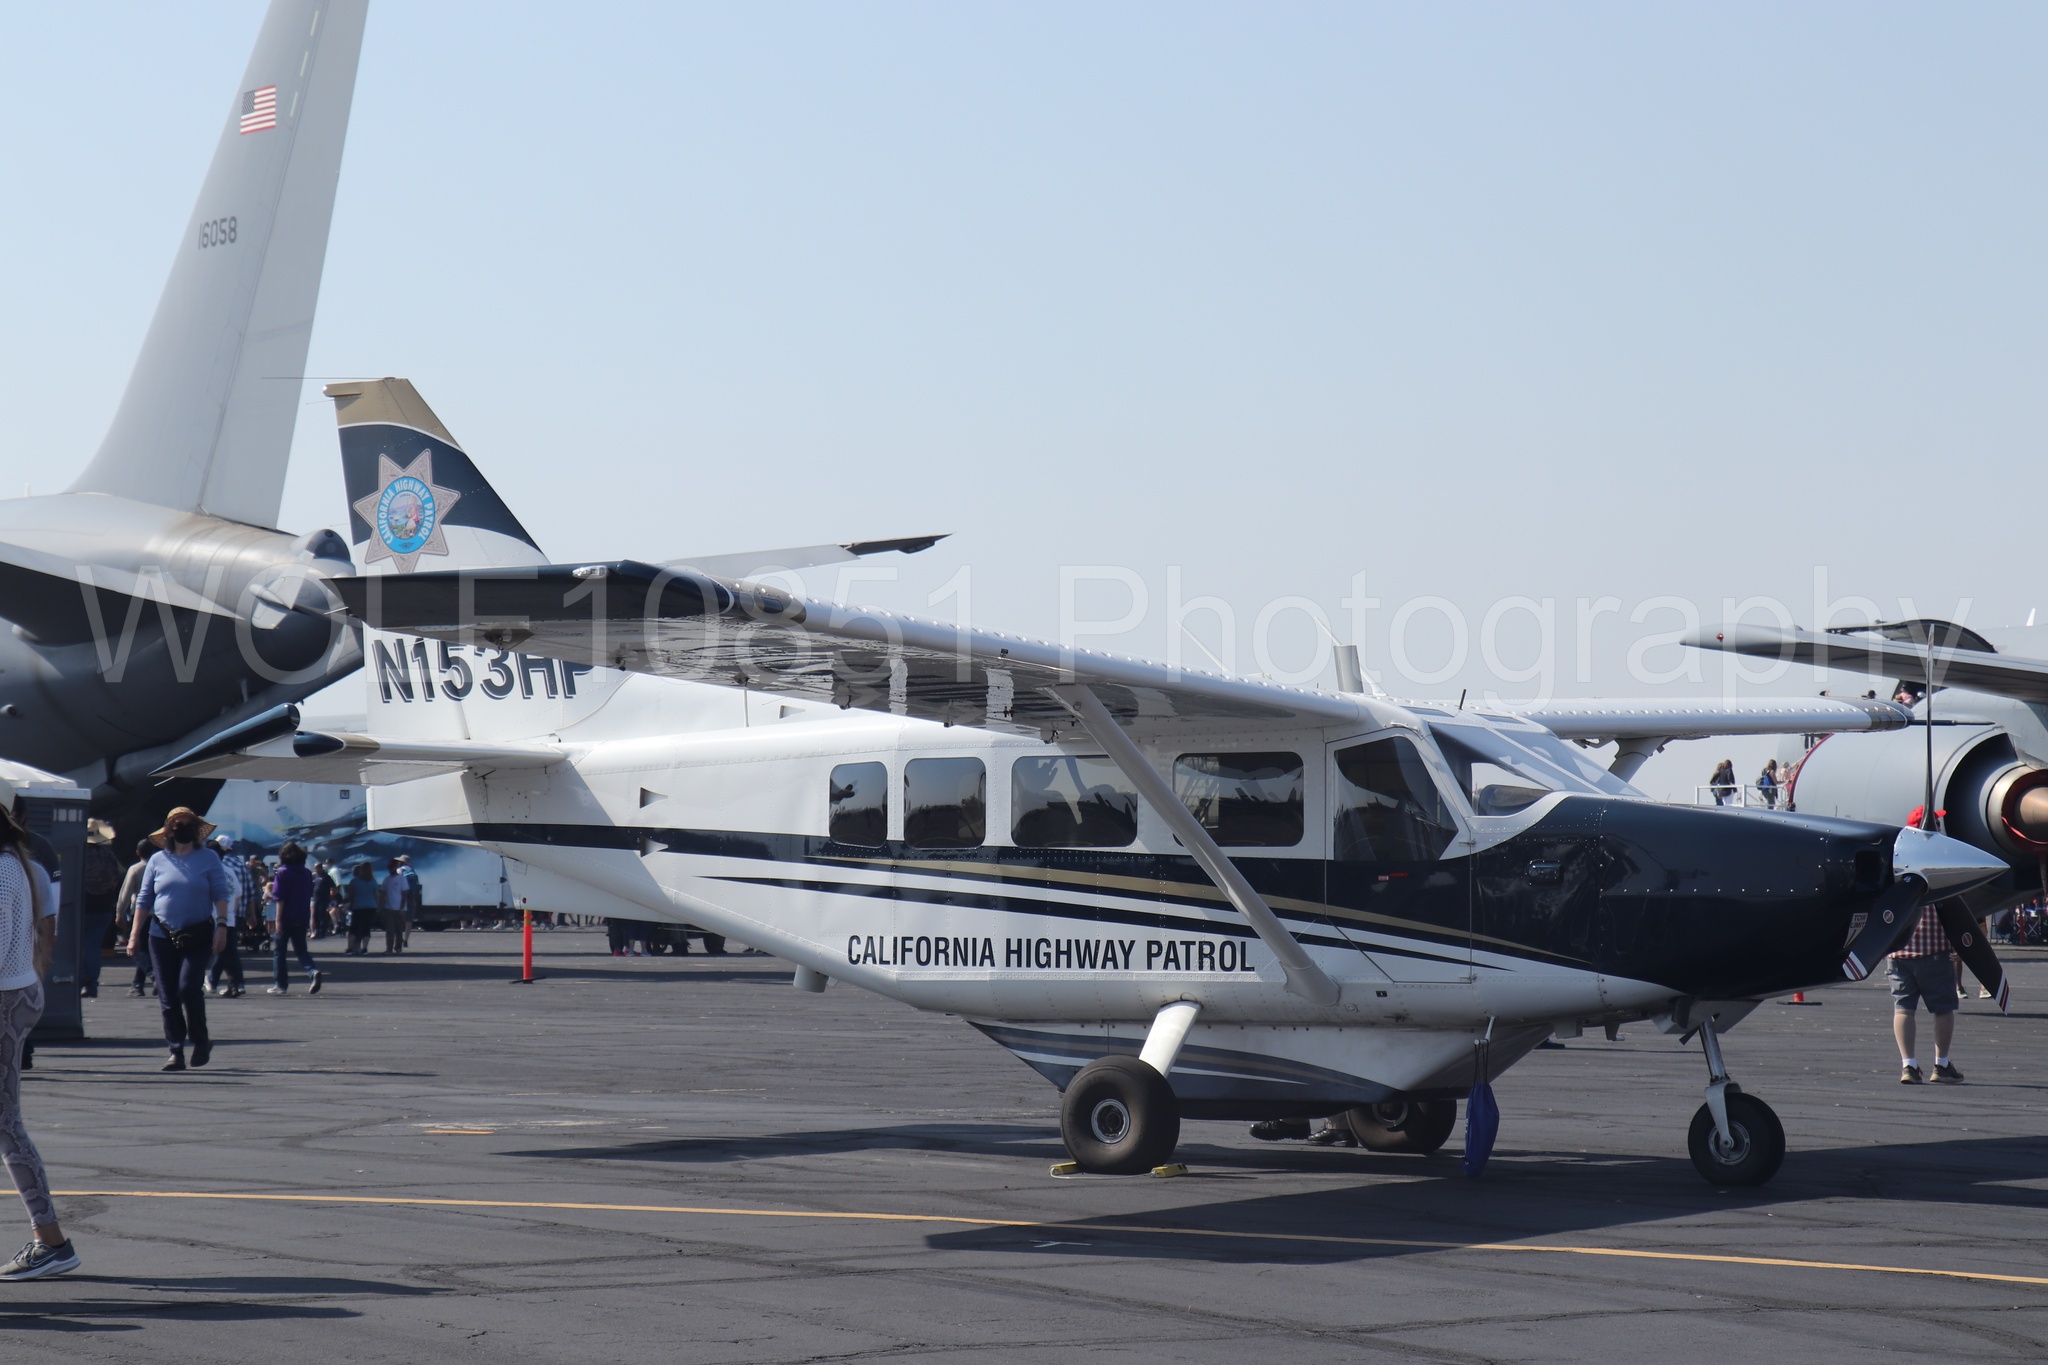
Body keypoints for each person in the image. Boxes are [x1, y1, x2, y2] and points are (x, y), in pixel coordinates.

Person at [0, 781, 75, 1281]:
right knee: (7, 1125)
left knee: (8, 1125)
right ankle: (49, 1240)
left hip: (4, 1000)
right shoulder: (18, 861)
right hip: (18, 993)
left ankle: (51, 1241)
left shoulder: (4, 870)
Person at [128, 808, 232, 1072]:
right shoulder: (157, 860)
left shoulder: (208, 858)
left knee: (187, 988)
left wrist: (222, 926)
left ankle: (200, 1039)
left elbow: (220, 893)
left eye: (188, 824)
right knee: (168, 994)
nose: (182, 828)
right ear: (168, 831)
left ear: (196, 830)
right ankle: (176, 1050)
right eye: (177, 825)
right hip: (161, 934)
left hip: (198, 933)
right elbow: (144, 899)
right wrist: (133, 935)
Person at [1890, 905, 1964, 1084]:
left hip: (1898, 951)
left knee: (1903, 1010)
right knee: (1943, 1009)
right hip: (1935, 949)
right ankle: (1942, 1065)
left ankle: (1908, 1065)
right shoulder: (1938, 876)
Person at [266, 842, 323, 996]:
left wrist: (278, 920)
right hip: (301, 916)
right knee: (301, 950)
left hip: (286, 917)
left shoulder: (283, 873)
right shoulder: (305, 873)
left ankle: (280, 984)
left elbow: (280, 898)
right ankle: (312, 971)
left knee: (280, 952)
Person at [77, 819, 123, 1001]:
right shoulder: (109, 856)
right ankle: (92, 984)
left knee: (76, 946)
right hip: (103, 907)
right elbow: (115, 879)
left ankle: (81, 977)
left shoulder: (80, 854)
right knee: (94, 946)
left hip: (82, 906)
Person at [206, 836, 250, 998]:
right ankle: (235, 984)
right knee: (229, 953)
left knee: (221, 953)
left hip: (212, 917)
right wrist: (231, 913)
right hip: (229, 917)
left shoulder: (208, 871)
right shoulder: (229, 871)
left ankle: (235, 983)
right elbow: (238, 894)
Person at [114, 838, 154, 998]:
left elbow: (125, 893)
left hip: (139, 914)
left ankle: (153, 976)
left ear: (137, 853)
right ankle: (137, 984)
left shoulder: (135, 869)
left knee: (137, 949)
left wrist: (119, 913)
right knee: (148, 949)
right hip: (158, 915)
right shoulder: (158, 867)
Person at [345, 861, 380, 955]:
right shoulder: (373, 881)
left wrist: (350, 904)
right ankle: (364, 948)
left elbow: (351, 895)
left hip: (358, 907)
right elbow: (377, 895)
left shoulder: (355, 882)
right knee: (366, 928)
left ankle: (350, 948)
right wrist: (378, 906)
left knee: (354, 928)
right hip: (370, 907)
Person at [378, 858, 409, 954]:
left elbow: (405, 893)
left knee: (399, 930)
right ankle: (389, 948)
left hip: (399, 908)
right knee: (389, 930)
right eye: (389, 868)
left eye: (392, 868)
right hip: (388, 908)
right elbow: (382, 894)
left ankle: (398, 947)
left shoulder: (401, 879)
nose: (390, 869)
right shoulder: (386, 880)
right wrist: (380, 907)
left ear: (395, 868)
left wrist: (402, 907)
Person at [310, 860, 336, 939]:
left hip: (323, 899)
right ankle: (316, 930)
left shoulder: (326, 877)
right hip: (315, 899)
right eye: (315, 868)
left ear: (321, 868)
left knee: (322, 915)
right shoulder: (316, 877)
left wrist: (331, 895)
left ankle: (323, 931)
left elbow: (333, 887)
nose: (316, 869)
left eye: (317, 868)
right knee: (315, 915)